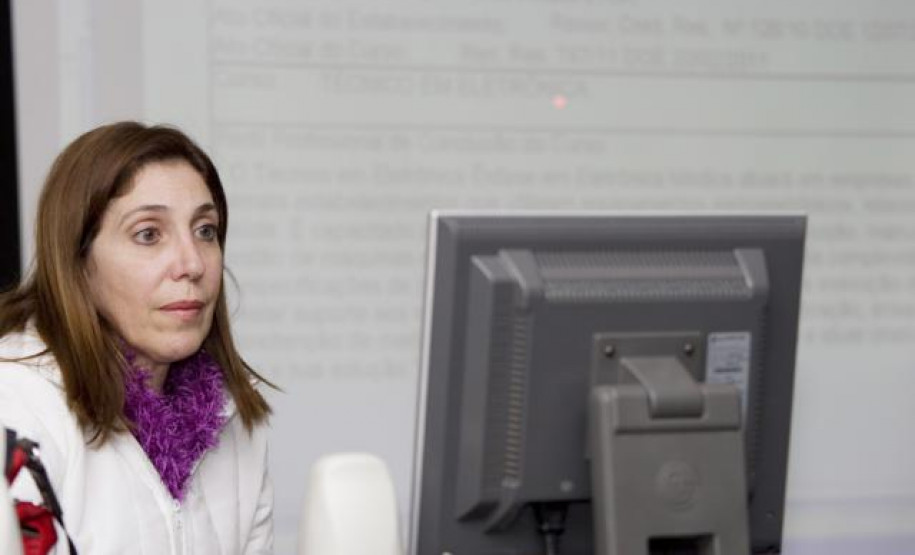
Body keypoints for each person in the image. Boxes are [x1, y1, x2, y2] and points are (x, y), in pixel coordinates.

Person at [0, 121, 274, 553]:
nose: (192, 264)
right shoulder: (15, 404)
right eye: (149, 234)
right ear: (78, 261)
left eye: (205, 230)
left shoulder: (234, 417)